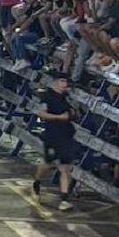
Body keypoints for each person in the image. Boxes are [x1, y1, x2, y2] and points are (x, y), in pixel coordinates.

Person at [32, 73, 76, 210]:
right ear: (56, 82)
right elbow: (41, 113)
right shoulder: (48, 97)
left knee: (65, 168)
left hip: (66, 135)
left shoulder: (67, 98)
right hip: (52, 135)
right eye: (62, 81)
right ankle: (37, 183)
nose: (65, 84)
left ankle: (64, 199)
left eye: (66, 81)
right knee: (48, 163)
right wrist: (58, 117)